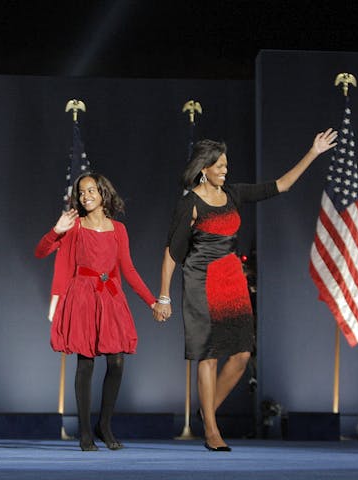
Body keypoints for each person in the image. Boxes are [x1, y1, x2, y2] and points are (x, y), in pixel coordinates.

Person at [153, 130, 338, 451]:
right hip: (200, 282)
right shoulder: (190, 204)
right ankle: (212, 431)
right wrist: (164, 296)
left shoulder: (234, 194)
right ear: (204, 169)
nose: (225, 170)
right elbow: (172, 252)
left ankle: (206, 411)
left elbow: (281, 185)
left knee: (241, 356)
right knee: (207, 356)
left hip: (231, 281)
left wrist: (313, 152)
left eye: (226, 165)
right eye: (220, 166)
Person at [35, 173, 160, 451]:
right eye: (81, 192)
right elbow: (41, 252)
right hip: (82, 297)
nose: (85, 196)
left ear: (103, 193)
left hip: (111, 297)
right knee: (86, 363)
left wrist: (152, 302)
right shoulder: (74, 226)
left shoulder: (119, 229)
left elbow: (128, 270)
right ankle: (85, 433)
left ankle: (104, 424)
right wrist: (56, 230)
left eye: (91, 190)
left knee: (116, 363)